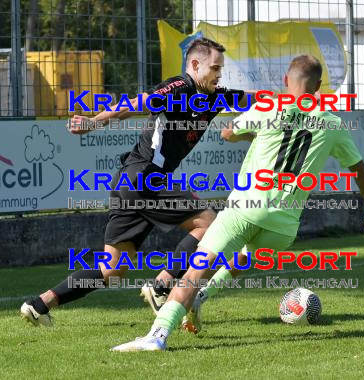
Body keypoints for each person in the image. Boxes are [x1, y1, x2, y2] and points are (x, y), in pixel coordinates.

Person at [111, 54, 364, 351]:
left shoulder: (269, 108)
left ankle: (157, 336)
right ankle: (201, 298)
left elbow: (229, 133)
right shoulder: (332, 123)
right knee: (245, 256)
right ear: (318, 88)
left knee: (196, 271)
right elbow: (361, 173)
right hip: (284, 226)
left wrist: (255, 135)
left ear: (286, 81)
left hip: (245, 208)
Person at [20, 37, 257, 326]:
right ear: (195, 65)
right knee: (207, 222)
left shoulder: (215, 96)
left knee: (113, 270)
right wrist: (94, 122)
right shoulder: (179, 87)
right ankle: (161, 285)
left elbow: (254, 98)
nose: (219, 74)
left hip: (129, 182)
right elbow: (133, 105)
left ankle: (40, 304)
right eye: (215, 68)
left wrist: (300, 99)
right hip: (145, 177)